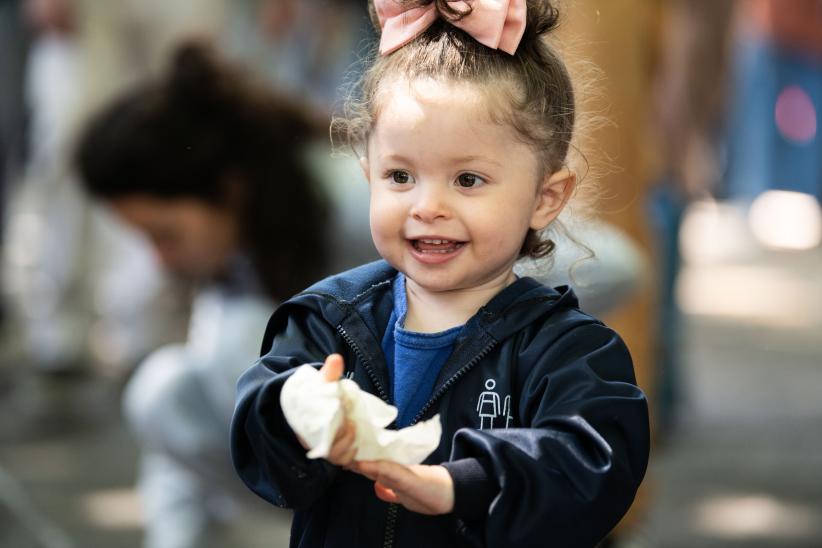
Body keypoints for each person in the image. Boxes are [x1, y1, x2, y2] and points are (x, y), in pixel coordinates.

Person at [230, 1, 650, 547]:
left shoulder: (568, 351)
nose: (427, 206)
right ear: (367, 175)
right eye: (400, 175)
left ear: (546, 197)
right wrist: (294, 407)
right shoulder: (327, 321)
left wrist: (463, 483)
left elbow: (592, 463)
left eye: (468, 180)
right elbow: (258, 446)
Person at [74, 42, 328, 548]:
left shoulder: (361, 210)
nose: (160, 260)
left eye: (164, 234)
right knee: (163, 389)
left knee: (237, 348)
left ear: (229, 190)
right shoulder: (240, 259)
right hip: (334, 466)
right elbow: (173, 462)